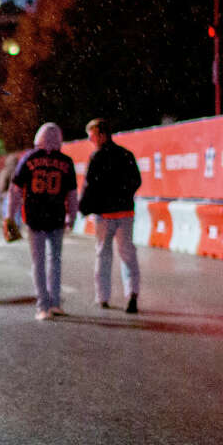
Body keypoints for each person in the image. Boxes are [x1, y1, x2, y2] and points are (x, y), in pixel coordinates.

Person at [9, 123, 78, 320]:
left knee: (38, 262)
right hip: (56, 216)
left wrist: (10, 215)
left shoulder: (29, 158)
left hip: (35, 216)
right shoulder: (66, 161)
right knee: (55, 260)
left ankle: (43, 306)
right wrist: (72, 216)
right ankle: (56, 303)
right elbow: (72, 193)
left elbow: (15, 189)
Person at [79, 118, 143, 313]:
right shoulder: (126, 154)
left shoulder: (96, 157)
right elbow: (136, 181)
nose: (90, 140)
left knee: (103, 255)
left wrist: (83, 208)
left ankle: (103, 297)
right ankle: (132, 294)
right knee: (128, 254)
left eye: (92, 136)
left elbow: (89, 186)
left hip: (104, 215)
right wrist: (124, 195)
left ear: (101, 135)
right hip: (125, 212)